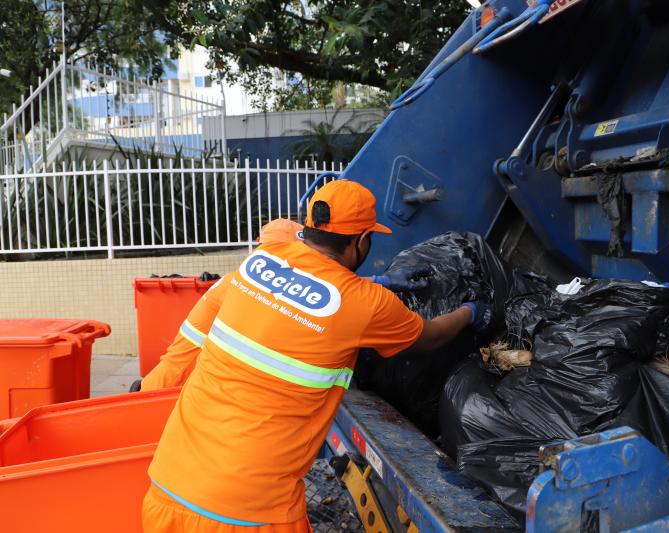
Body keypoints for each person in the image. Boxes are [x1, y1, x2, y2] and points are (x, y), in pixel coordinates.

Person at [142, 179, 492, 532]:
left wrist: (381, 281)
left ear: (310, 227)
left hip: (168, 488)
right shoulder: (366, 305)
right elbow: (430, 337)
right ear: (361, 241)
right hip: (248, 514)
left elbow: (307, 284)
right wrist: (471, 312)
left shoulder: (260, 262)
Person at [139, 219, 432, 392]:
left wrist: (381, 280)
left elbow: (316, 286)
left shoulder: (244, 281)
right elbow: (324, 293)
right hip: (172, 393)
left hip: (174, 386)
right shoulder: (243, 287)